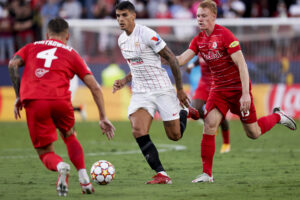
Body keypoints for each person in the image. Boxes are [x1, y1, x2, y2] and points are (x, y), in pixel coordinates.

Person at [176, 0, 297, 183]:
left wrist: (246, 93)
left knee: (253, 133)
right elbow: (181, 59)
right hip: (218, 90)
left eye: (204, 16)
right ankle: (207, 174)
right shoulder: (199, 39)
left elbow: (241, 64)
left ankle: (278, 117)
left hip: (238, 89)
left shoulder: (225, 35)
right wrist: (160, 55)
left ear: (214, 17)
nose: (200, 19)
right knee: (209, 124)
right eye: (198, 16)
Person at [8, 17, 115, 196]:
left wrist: (19, 96)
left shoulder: (31, 47)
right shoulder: (72, 53)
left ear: (47, 34)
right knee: (70, 136)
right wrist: (103, 117)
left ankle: (60, 166)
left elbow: (12, 65)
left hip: (35, 101)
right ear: (67, 36)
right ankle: (85, 181)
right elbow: (95, 87)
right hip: (60, 101)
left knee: (44, 151)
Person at [113, 1, 199, 184]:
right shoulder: (121, 40)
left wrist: (180, 90)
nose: (121, 19)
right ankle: (162, 174)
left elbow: (172, 60)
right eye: (118, 16)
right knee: (138, 130)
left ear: (133, 15)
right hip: (141, 92)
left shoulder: (147, 34)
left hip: (162, 89)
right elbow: (136, 65)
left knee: (175, 136)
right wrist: (124, 80)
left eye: (124, 15)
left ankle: (184, 112)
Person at [186, 55, 231, 154]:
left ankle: (226, 143)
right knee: (194, 109)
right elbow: (200, 59)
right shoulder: (202, 47)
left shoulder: (217, 51)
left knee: (221, 116)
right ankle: (211, 122)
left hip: (217, 86)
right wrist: (192, 65)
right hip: (203, 85)